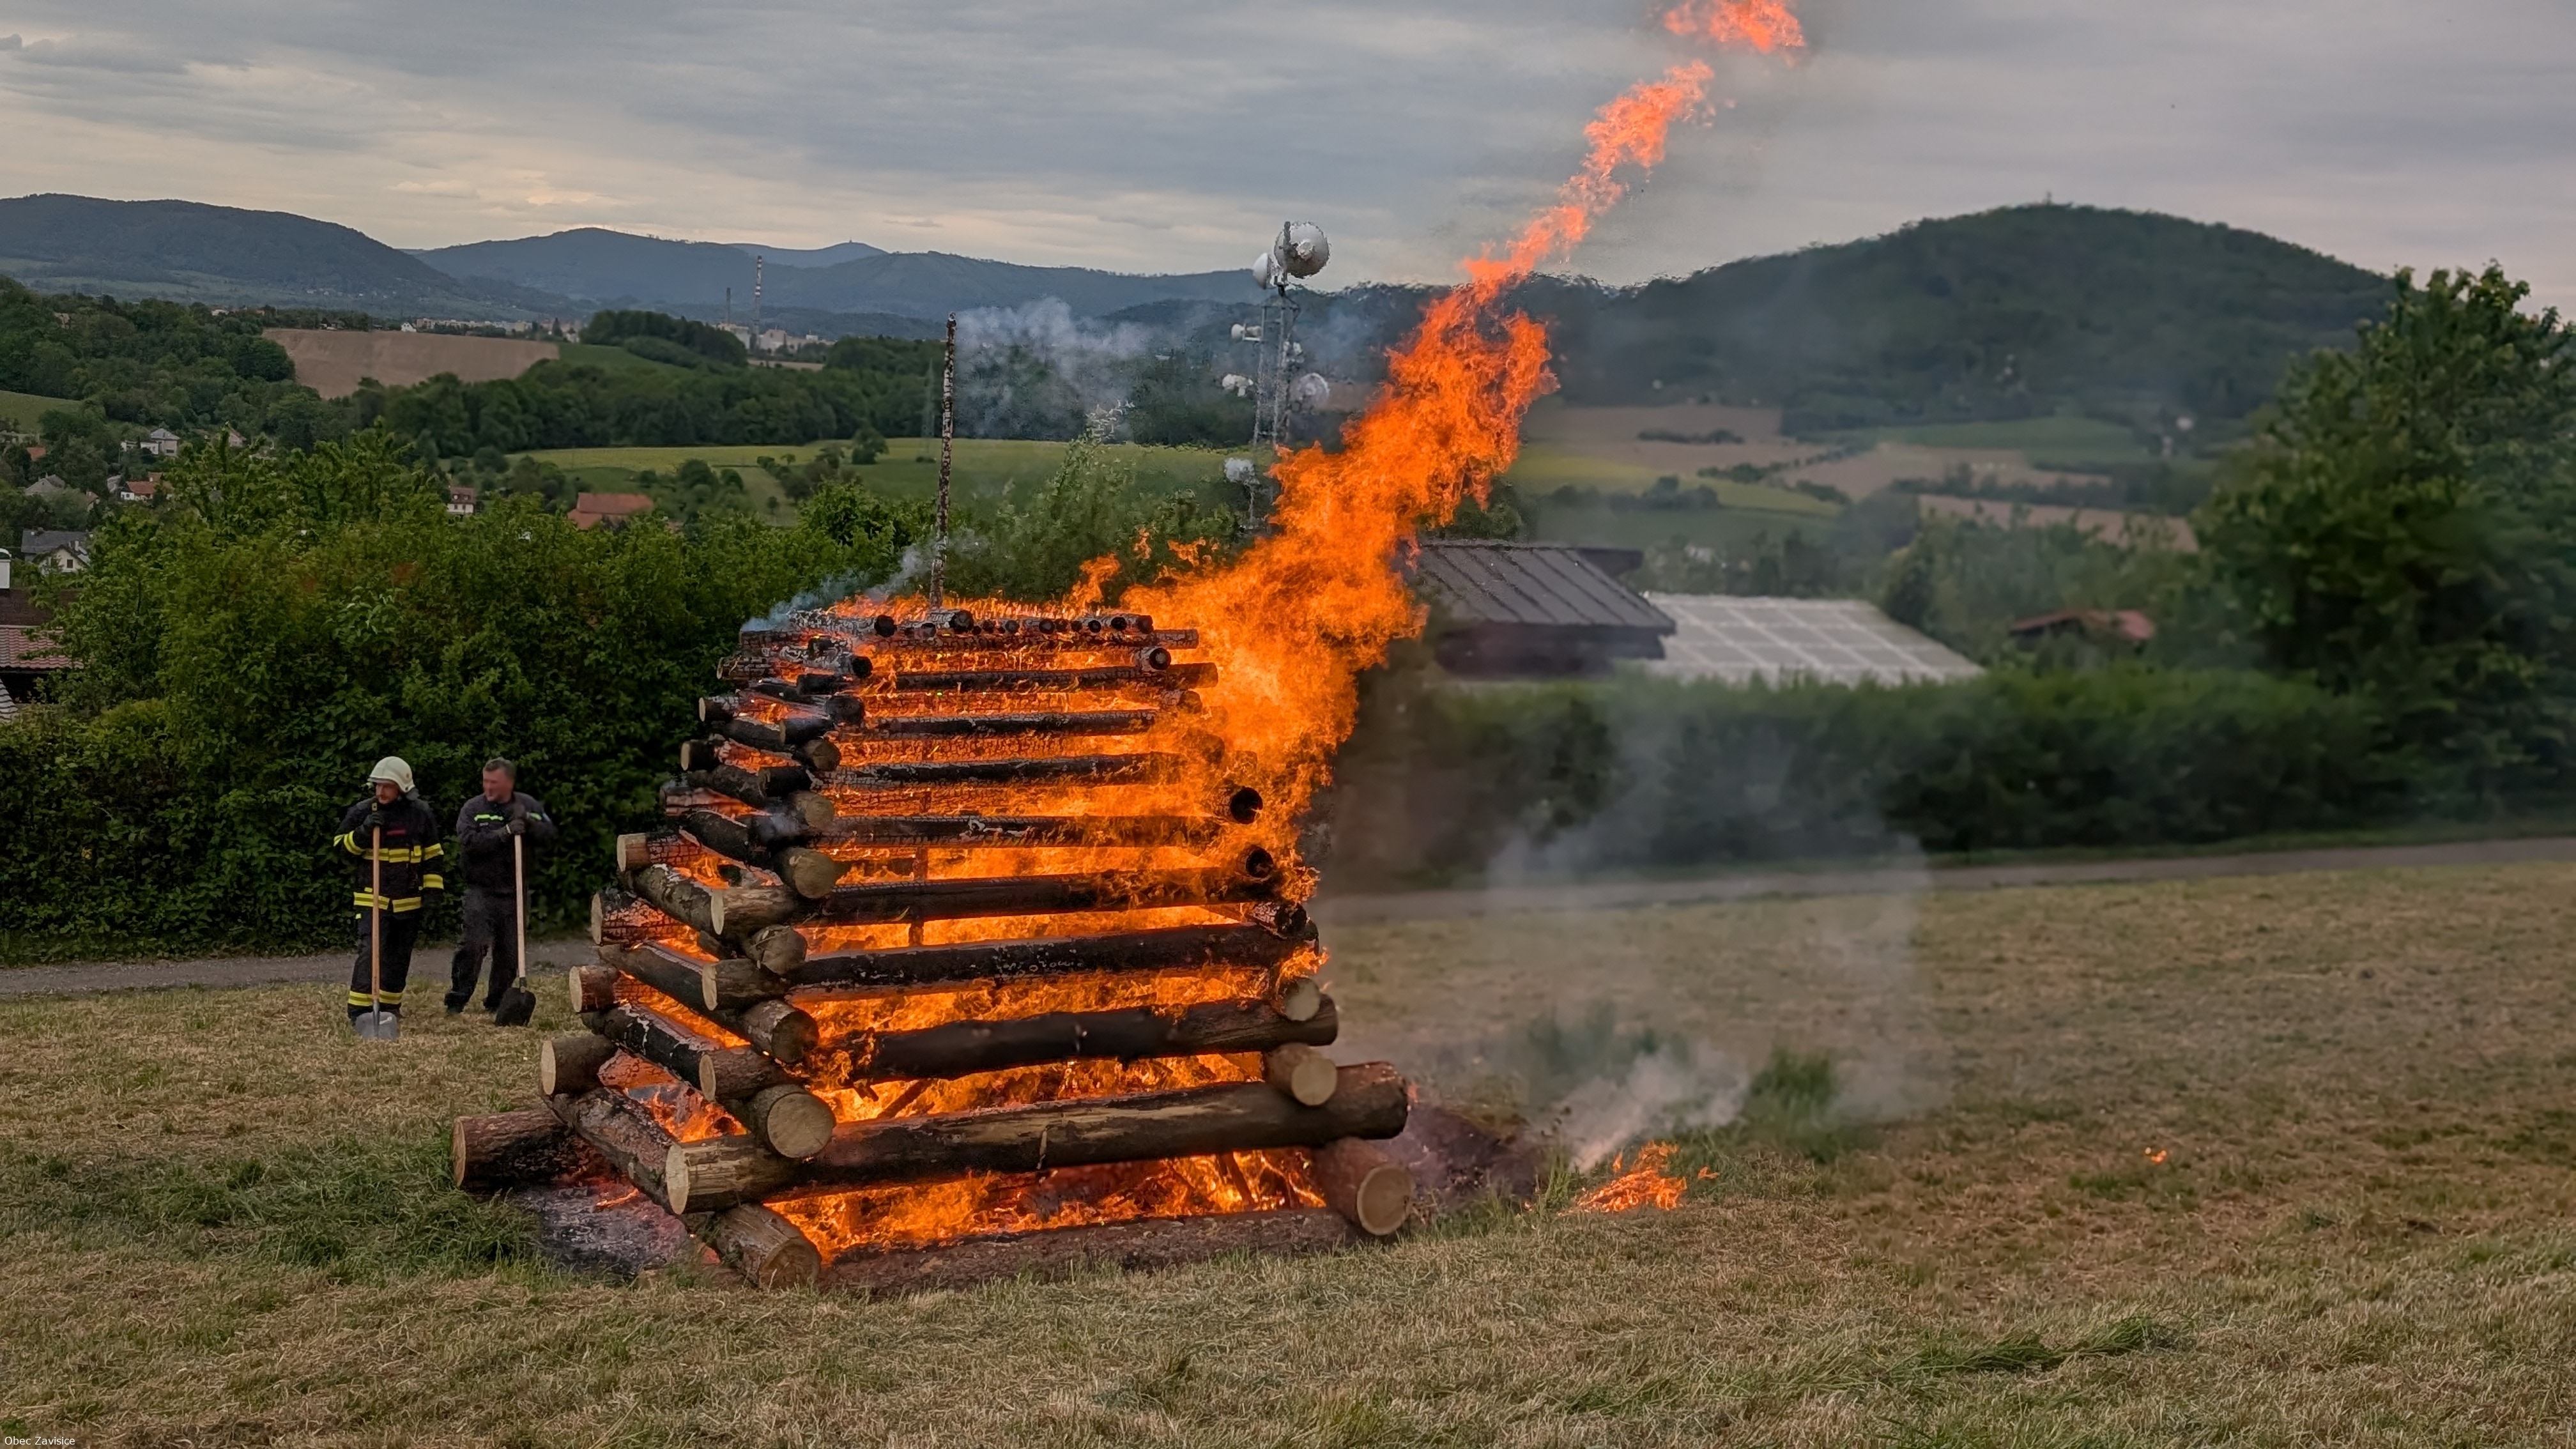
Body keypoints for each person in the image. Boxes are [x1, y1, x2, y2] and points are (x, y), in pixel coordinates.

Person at [333, 756, 443, 1025]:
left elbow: (433, 855)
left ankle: (390, 1007)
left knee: (399, 956)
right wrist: (363, 832)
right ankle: (360, 1011)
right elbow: (339, 850)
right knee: (371, 952)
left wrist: (433, 892)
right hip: (373, 898)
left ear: (402, 787)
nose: (380, 791)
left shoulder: (420, 814)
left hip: (408, 901)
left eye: (387, 786)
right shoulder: (363, 811)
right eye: (377, 785)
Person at [446, 756, 556, 1015]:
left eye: (494, 783)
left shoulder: (527, 805)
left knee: (510, 951)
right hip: (481, 890)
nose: (488, 787)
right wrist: (504, 832)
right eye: (485, 781)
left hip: (515, 890)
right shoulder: (473, 809)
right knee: (472, 945)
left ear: (509, 783)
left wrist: (529, 822)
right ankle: (457, 998)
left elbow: (549, 835)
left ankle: (498, 1001)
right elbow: (469, 842)